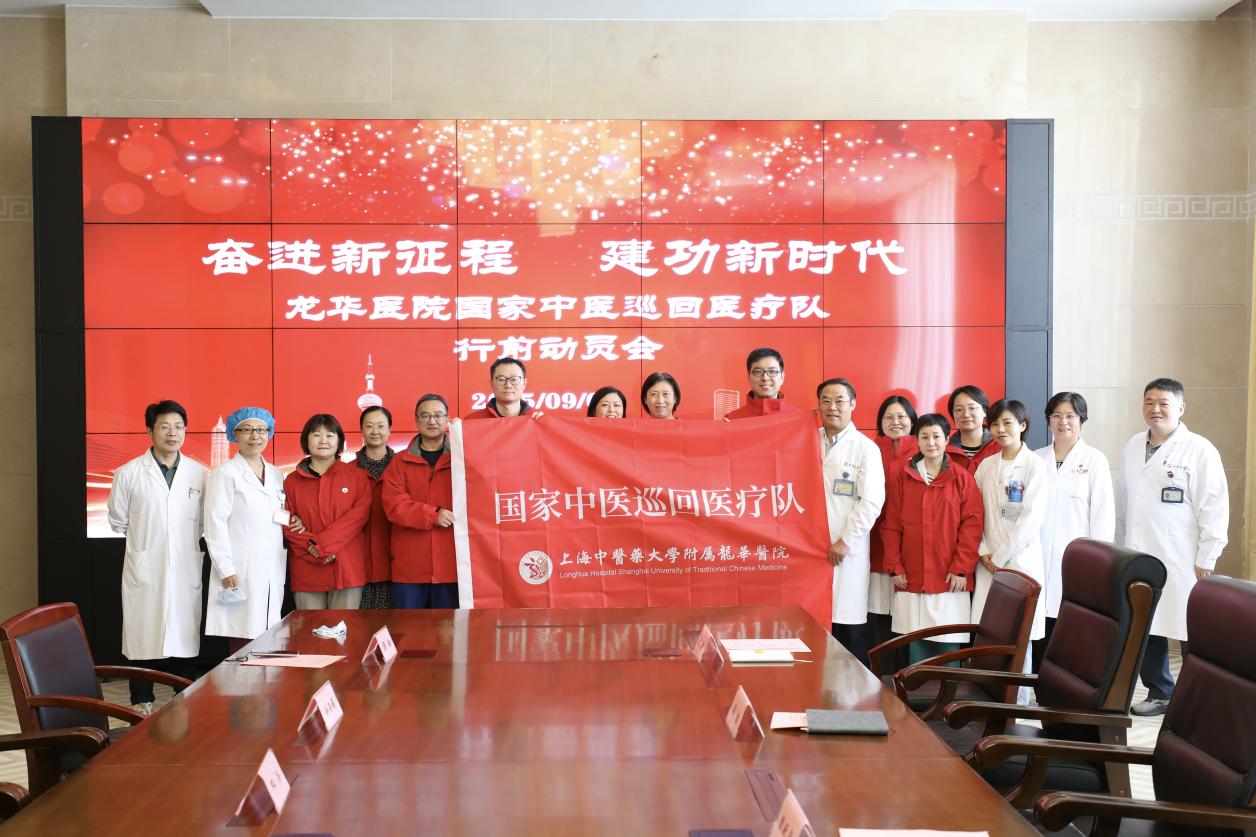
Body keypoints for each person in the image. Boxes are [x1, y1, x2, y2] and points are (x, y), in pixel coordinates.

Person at [1115, 378, 1228, 716]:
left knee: (1191, 629)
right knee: (1146, 625)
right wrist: (1120, 550)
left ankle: (1198, 700)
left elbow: (1214, 506)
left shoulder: (1199, 449)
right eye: (1149, 402)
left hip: (1182, 557)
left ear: (1181, 408)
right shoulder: (1133, 445)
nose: (1156, 409)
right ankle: (1160, 692)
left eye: (1163, 403)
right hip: (1139, 554)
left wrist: (1208, 555)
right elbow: (1124, 504)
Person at [105, 399, 206, 715]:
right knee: (143, 632)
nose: (172, 433)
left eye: (178, 427)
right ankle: (141, 701)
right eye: (164, 426)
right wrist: (151, 540)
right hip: (146, 564)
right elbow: (118, 519)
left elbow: (205, 520)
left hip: (185, 565)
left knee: (184, 632)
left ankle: (184, 696)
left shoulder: (200, 474)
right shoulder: (129, 473)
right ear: (150, 431)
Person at [882, 414, 983, 664]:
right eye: (924, 436)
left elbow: (972, 526)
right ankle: (917, 691)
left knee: (948, 649)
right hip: (911, 575)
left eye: (936, 436)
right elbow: (891, 525)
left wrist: (961, 568)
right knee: (916, 649)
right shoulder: (904, 476)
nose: (931, 442)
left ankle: (949, 691)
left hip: (950, 577)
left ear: (947, 439)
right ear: (916, 440)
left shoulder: (962, 478)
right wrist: (894, 566)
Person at [972, 399, 1050, 701]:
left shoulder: (1034, 465)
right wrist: (984, 552)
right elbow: (975, 512)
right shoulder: (986, 465)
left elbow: (1030, 518)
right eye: (995, 424)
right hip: (987, 562)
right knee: (990, 632)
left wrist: (1000, 556)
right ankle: (987, 699)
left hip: (1020, 561)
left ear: (1023, 425)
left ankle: (1017, 702)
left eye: (1007, 423)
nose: (1000, 429)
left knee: (1020, 634)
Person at [1033, 392, 1115, 669]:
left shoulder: (1094, 460)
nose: (1063, 422)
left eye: (1070, 416)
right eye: (1056, 416)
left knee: (1071, 625)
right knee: (1039, 624)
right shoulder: (1036, 459)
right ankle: (1038, 681)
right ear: (1048, 420)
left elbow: (1103, 515)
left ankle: (1064, 681)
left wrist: (1099, 562)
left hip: (1079, 559)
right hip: (1038, 557)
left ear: (1081, 420)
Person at [204, 407, 290, 654]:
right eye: (247, 430)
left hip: (271, 565)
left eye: (261, 430)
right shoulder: (224, 474)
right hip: (240, 566)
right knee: (243, 632)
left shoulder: (276, 474)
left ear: (269, 433)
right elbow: (214, 522)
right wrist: (225, 567)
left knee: (269, 630)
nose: (255, 436)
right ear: (235, 434)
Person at [817, 378, 885, 666]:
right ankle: (817, 692)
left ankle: (850, 695)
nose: (832, 407)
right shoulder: (807, 439)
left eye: (839, 401)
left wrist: (846, 541)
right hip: (811, 547)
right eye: (826, 401)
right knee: (815, 629)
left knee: (847, 628)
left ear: (853, 405)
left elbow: (871, 501)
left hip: (846, 549)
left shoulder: (865, 448)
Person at [283, 414, 372, 610]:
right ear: (306, 440)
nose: (323, 441)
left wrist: (322, 546)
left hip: (346, 569)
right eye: (316, 435)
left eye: (330, 435)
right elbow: (285, 523)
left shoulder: (357, 477)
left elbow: (357, 518)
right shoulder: (291, 481)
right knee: (309, 628)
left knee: (344, 627)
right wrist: (314, 550)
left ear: (339, 441)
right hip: (307, 568)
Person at [383, 394, 458, 608]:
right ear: (416, 421)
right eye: (425, 416)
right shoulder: (399, 462)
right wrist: (433, 515)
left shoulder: (462, 458)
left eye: (438, 415)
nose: (432, 421)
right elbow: (394, 505)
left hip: (452, 566)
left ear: (447, 419)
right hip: (410, 567)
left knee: (450, 628)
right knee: (409, 627)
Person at [868, 395, 919, 656]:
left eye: (901, 416)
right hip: (875, 543)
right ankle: (881, 672)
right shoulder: (869, 449)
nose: (895, 422)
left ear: (912, 420)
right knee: (878, 613)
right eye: (889, 417)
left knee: (908, 615)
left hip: (910, 546)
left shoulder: (924, 451)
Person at [356, 405, 396, 609]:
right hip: (357, 562)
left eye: (381, 426)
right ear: (361, 430)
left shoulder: (403, 467)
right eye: (369, 426)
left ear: (389, 430)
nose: (375, 431)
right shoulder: (348, 471)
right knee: (358, 623)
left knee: (394, 623)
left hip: (396, 560)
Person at [724, 348, 799, 419]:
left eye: (772, 371)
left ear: (782, 377)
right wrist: (725, 427)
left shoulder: (798, 418)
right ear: (748, 377)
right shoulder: (733, 419)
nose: (765, 378)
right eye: (758, 372)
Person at [947, 385, 1000, 474]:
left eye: (972, 408)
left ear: (985, 411)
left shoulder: (1000, 445)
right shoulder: (944, 448)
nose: (966, 414)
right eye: (959, 409)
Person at [465, 357, 535, 418]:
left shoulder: (536, 419)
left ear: (524, 383)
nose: (508, 385)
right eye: (501, 379)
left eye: (514, 379)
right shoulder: (473, 420)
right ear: (491, 383)